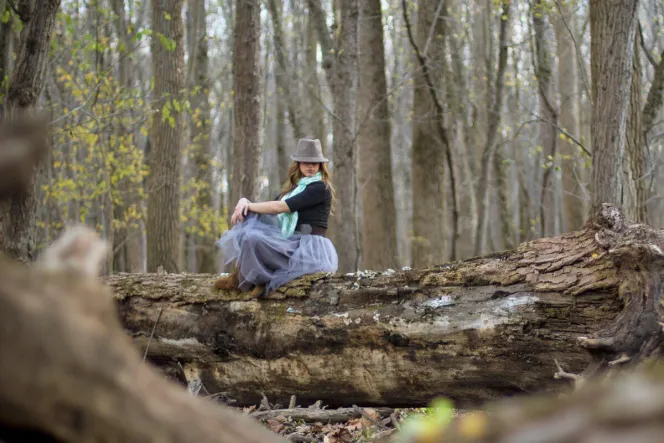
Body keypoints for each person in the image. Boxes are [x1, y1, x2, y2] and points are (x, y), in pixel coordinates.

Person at [213, 138, 338, 296]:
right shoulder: (294, 189)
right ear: (298, 164)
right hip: (292, 241)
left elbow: (280, 207)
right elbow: (270, 207)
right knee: (250, 234)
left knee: (251, 213)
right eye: (306, 162)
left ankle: (257, 280)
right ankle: (250, 279)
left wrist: (247, 204)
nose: (311, 166)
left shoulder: (320, 187)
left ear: (321, 165)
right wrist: (244, 202)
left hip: (310, 248)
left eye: (315, 163)